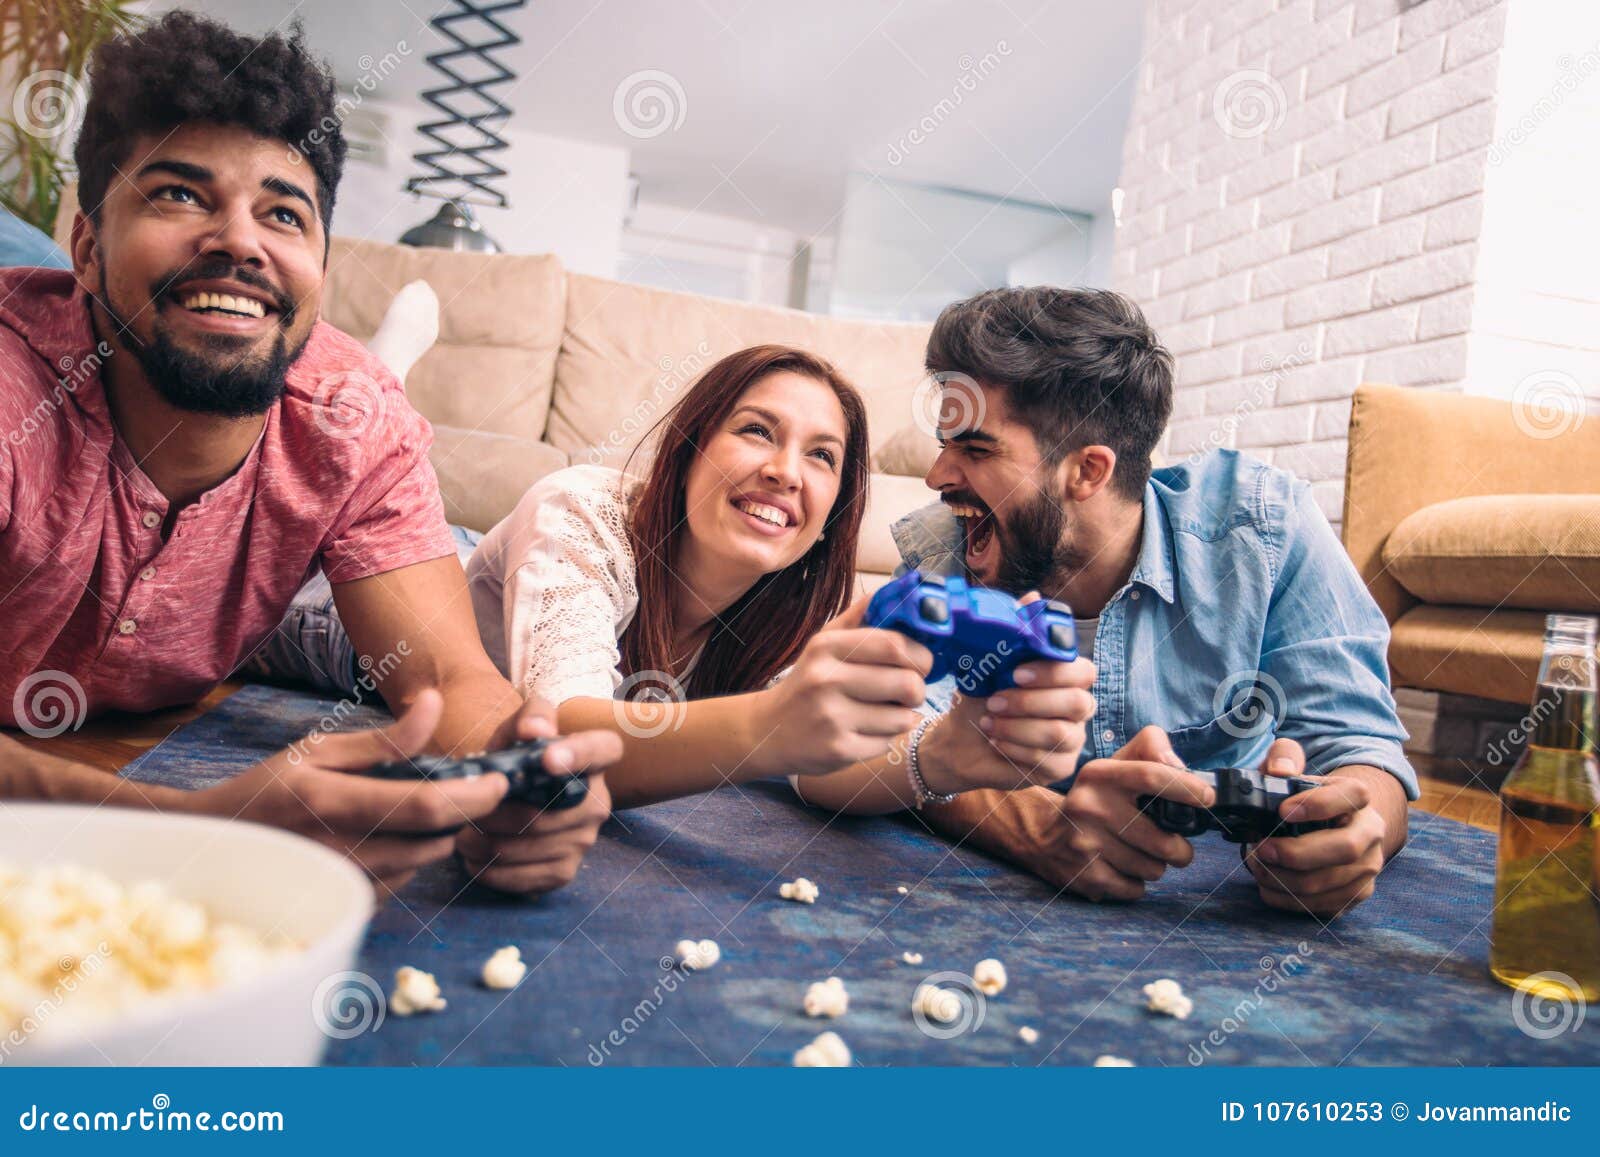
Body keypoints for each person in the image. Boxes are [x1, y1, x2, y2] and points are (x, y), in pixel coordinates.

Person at [0, 13, 619, 897]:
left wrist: (524, 777)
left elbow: (448, 677)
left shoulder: (355, 418)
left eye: (284, 213)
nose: (242, 241)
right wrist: (190, 835)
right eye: (179, 194)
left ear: (322, 266)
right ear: (90, 252)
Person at [796, 287, 1416, 917]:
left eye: (976, 449)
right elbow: (860, 747)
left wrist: (1357, 831)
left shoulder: (1263, 529)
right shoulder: (947, 548)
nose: (936, 476)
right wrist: (1033, 827)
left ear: (1088, 471)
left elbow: (1363, 749)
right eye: (944, 443)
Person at [265, 344, 1096, 807]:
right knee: (252, 600)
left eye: (821, 457)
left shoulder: (806, 603)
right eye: (755, 431)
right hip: (356, 614)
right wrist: (772, 722)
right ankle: (383, 366)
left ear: (838, 507)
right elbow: (564, 734)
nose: (783, 471)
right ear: (689, 445)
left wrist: (943, 755)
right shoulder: (583, 510)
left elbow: (819, 766)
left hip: (522, 566)